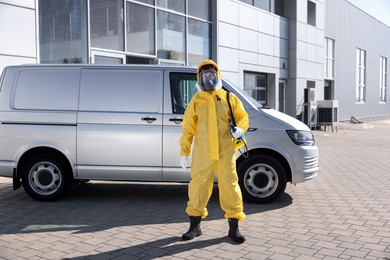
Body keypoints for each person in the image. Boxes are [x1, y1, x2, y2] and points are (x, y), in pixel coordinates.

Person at [179, 60, 249, 244]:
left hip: (225, 151)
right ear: (199, 78)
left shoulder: (228, 98)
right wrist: (184, 151)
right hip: (203, 153)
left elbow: (242, 117)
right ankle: (195, 226)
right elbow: (188, 128)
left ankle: (234, 229)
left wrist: (240, 129)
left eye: (211, 75)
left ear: (217, 76)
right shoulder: (196, 100)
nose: (208, 78)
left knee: (230, 186)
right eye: (205, 76)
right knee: (198, 187)